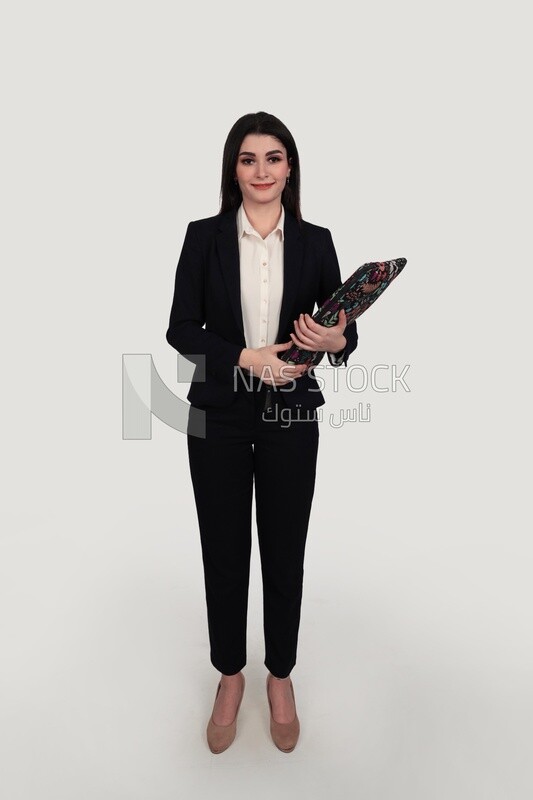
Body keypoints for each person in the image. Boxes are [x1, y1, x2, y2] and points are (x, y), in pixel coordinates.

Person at [166, 111, 359, 753]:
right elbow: (181, 329)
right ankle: (230, 675)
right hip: (217, 410)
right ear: (234, 169)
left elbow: (343, 331)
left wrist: (334, 338)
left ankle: (280, 676)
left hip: (292, 411)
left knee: (284, 547)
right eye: (248, 159)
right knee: (223, 549)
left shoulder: (316, 240)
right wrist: (247, 357)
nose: (261, 171)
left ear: (290, 168)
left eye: (273, 158)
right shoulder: (203, 237)